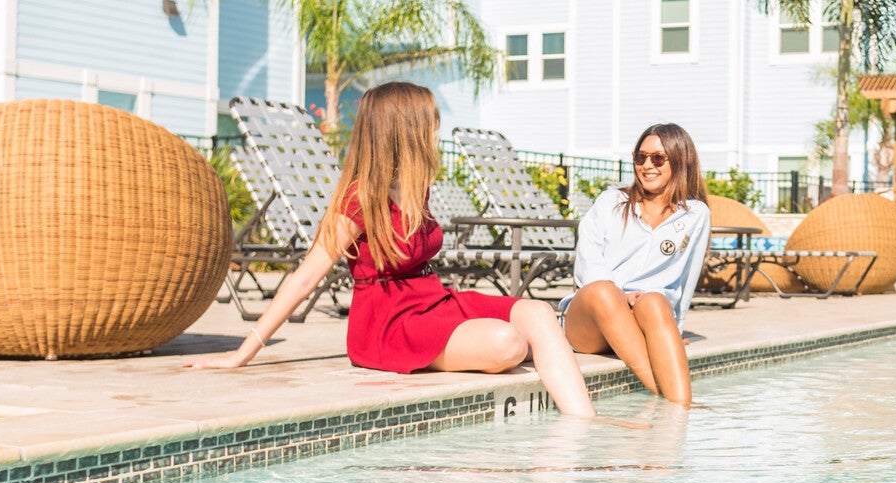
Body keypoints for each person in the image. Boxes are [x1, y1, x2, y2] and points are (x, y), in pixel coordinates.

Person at [183, 82, 598, 419]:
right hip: (388, 321)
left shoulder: (419, 186)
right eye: (431, 125)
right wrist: (243, 352)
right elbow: (307, 275)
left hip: (433, 299)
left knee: (539, 312)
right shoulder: (360, 199)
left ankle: (586, 428)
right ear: (406, 131)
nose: (436, 132)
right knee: (509, 344)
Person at [560, 123, 711, 407]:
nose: (647, 166)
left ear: (681, 160)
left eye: (658, 158)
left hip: (644, 317)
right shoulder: (611, 202)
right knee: (603, 290)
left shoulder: (695, 214)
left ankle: (680, 413)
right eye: (640, 157)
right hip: (591, 320)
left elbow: (686, 280)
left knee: (655, 300)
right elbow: (588, 262)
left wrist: (673, 331)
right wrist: (621, 296)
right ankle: (664, 395)